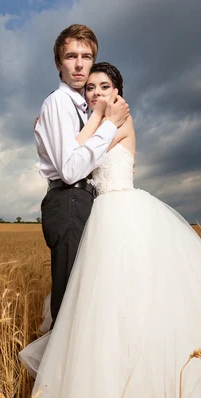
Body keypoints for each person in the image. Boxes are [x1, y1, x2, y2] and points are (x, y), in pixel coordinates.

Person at [20, 62, 201, 398]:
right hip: (100, 215)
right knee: (108, 302)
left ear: (118, 93)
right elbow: (71, 153)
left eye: (104, 87)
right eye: (91, 88)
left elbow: (77, 149)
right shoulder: (101, 122)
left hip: (121, 212)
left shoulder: (118, 121)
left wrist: (82, 124)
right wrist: (48, 132)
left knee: (136, 295)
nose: (96, 93)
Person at [34, 24, 130, 330]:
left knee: (85, 296)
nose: (79, 64)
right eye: (71, 56)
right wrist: (108, 126)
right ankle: (62, 374)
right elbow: (71, 169)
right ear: (58, 63)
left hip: (82, 199)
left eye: (86, 57)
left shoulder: (83, 108)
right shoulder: (60, 103)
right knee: (72, 301)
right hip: (69, 197)